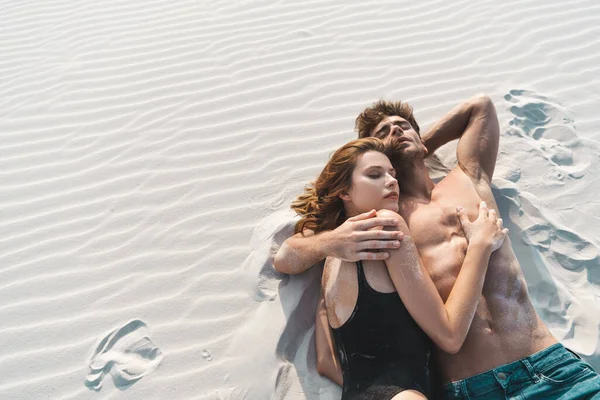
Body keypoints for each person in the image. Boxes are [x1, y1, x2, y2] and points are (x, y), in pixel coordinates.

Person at [274, 95, 600, 399]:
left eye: (402, 126)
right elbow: (288, 257)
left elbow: (481, 108)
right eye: (384, 131)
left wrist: (415, 144)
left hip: (551, 366)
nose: (396, 130)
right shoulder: (382, 214)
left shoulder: (469, 177)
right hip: (473, 386)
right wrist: (333, 240)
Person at [289, 137, 507, 399]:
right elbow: (450, 335)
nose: (392, 181)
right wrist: (480, 247)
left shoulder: (330, 261)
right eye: (374, 175)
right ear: (344, 191)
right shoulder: (386, 225)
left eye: (392, 173)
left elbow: (326, 362)